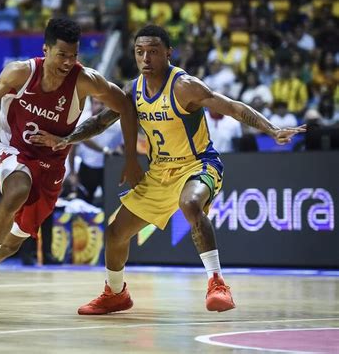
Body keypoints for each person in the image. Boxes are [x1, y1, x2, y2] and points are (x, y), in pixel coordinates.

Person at [33, 25, 306, 314]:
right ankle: (115, 294)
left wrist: (272, 129)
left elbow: (233, 107)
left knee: (189, 204)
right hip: (159, 172)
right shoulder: (134, 90)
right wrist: (66, 138)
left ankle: (217, 283)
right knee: (114, 234)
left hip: (198, 164)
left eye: (153, 52)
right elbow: (100, 121)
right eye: (140, 53)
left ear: (168, 53)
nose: (146, 59)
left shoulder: (184, 85)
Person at [0, 18, 136, 314]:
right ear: (46, 49)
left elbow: (125, 106)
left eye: (74, 55)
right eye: (62, 55)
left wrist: (76, 140)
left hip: (52, 166)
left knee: (12, 242)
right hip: (13, 150)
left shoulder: (86, 80)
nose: (68, 62)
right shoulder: (21, 72)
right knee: (18, 188)